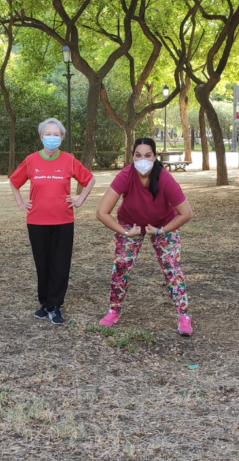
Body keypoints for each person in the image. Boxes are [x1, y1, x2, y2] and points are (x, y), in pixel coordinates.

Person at [95, 138, 195, 336]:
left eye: (147, 155)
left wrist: (162, 231)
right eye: (138, 155)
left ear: (155, 157)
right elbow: (101, 212)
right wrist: (125, 232)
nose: (143, 160)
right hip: (130, 224)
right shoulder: (126, 175)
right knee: (122, 264)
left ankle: (183, 316)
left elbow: (186, 213)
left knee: (172, 267)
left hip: (163, 224)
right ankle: (114, 310)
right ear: (132, 156)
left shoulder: (165, 178)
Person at [10, 118, 95, 325]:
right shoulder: (31, 160)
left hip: (63, 220)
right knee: (42, 263)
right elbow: (14, 181)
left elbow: (89, 179)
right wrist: (21, 203)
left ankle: (55, 305)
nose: (52, 138)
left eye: (56, 135)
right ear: (41, 137)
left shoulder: (69, 160)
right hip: (37, 221)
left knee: (60, 263)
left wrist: (80, 200)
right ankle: (45, 303)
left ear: (62, 138)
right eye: (48, 134)